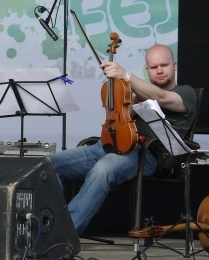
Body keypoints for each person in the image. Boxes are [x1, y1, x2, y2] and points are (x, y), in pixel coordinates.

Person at [47, 44, 197, 235]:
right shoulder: (139, 91)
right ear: (147, 69)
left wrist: (125, 75)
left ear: (174, 65)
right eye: (153, 67)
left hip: (146, 154)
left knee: (103, 170)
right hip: (110, 146)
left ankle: (63, 235)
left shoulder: (186, 93)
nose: (159, 71)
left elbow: (161, 97)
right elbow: (120, 118)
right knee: (48, 165)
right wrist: (130, 99)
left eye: (164, 65)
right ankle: (48, 228)